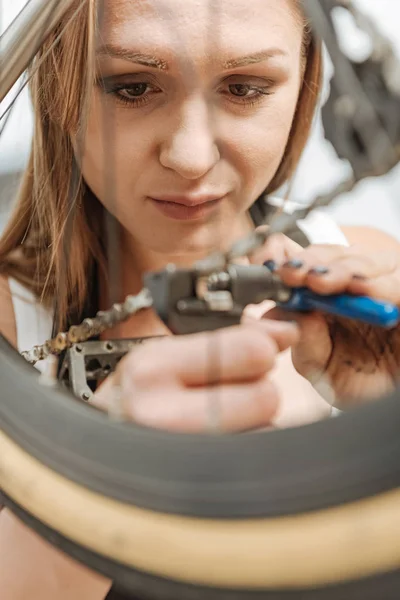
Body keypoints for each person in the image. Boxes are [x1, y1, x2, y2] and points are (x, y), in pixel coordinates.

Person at [1, 0, 400, 598]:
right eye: (132, 87)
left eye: (244, 87)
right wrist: (106, 474)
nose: (190, 157)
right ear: (60, 87)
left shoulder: (374, 269)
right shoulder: (10, 318)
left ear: (307, 82)